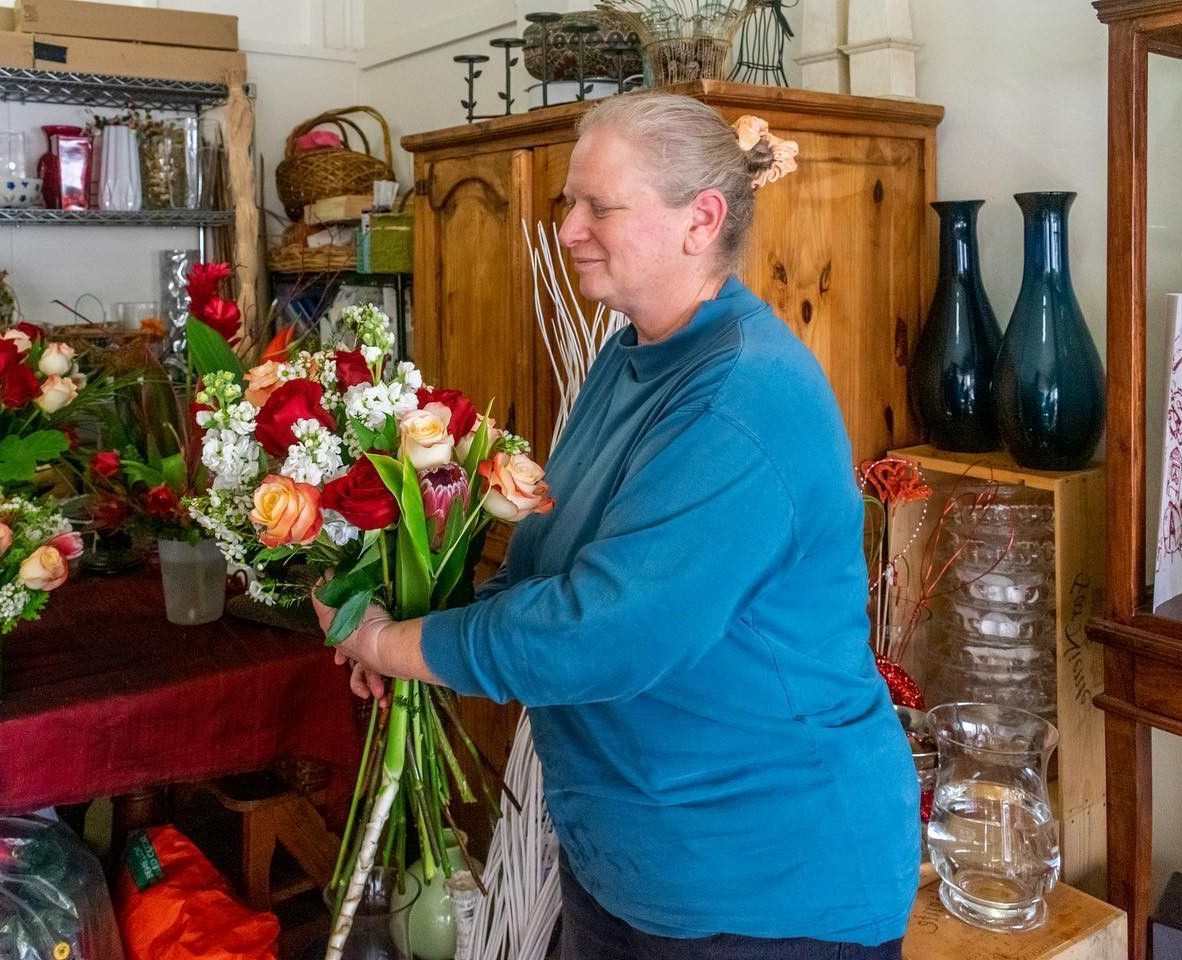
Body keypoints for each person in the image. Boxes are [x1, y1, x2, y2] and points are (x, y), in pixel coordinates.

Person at [314, 91, 918, 959]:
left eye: (601, 206)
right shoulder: (632, 353)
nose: (569, 229)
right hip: (626, 862)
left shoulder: (744, 398)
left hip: (763, 887)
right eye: (570, 203)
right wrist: (413, 637)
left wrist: (393, 646)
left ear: (699, 220)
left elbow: (602, 633)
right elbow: (543, 565)